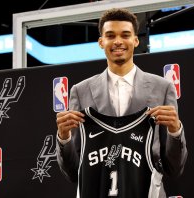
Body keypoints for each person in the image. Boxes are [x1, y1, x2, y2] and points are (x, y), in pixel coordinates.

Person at [56, 8, 187, 198]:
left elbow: (174, 168)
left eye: (125, 35)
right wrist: (63, 137)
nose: (118, 41)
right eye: (110, 36)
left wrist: (176, 131)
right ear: (101, 42)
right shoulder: (80, 91)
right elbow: (73, 171)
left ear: (136, 40)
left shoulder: (163, 88)